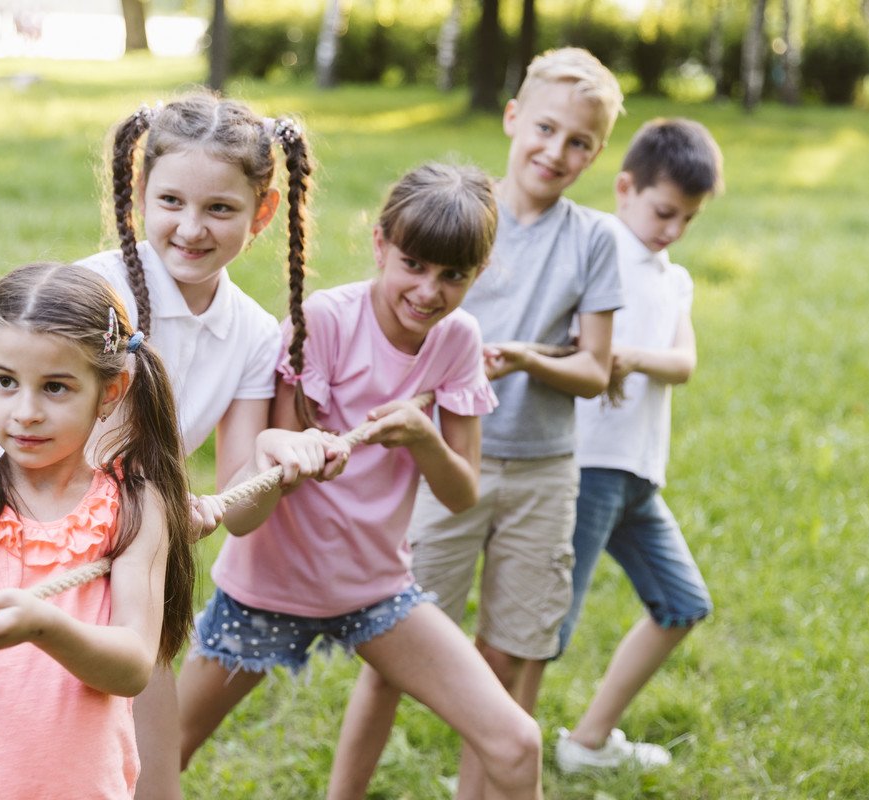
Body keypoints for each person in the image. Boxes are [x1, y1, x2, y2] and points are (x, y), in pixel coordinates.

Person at [177, 163, 545, 800]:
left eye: (452, 275)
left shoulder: (457, 340)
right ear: (381, 245)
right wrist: (292, 452)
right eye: (415, 264)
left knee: (518, 742)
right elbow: (265, 487)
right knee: (155, 751)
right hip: (269, 587)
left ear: (477, 274)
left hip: (375, 590)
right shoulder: (323, 321)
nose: (429, 291)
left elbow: (462, 495)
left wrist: (422, 436)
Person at [330, 48, 626, 798]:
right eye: (546, 129)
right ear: (513, 118)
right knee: (395, 655)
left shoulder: (592, 240)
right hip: (445, 466)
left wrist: (525, 358)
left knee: (508, 659)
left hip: (541, 471)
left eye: (580, 142)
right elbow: (395, 322)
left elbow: (595, 369)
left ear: (596, 153)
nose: (556, 152)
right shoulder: (455, 216)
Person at [76, 92, 340, 800]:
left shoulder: (254, 335)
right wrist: (162, 502)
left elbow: (241, 509)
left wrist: (281, 459)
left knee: (151, 780)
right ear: (140, 195)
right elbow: (46, 446)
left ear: (263, 212)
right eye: (171, 202)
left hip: (140, 572)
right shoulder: (92, 293)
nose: (191, 228)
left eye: (220, 209)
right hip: (45, 557)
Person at [0, 263, 195, 799]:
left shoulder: (135, 508)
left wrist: (45, 626)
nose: (26, 412)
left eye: (56, 388)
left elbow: (134, 664)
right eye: (5, 382)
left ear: (110, 390)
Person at [553, 117, 723, 773]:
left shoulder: (672, 277)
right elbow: (569, 344)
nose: (672, 229)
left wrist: (629, 356)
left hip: (639, 477)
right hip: (590, 467)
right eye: (664, 211)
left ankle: (586, 743)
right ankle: (491, 764)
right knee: (545, 633)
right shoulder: (597, 252)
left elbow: (683, 363)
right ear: (625, 187)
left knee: (683, 605)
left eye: (688, 219)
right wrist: (601, 355)